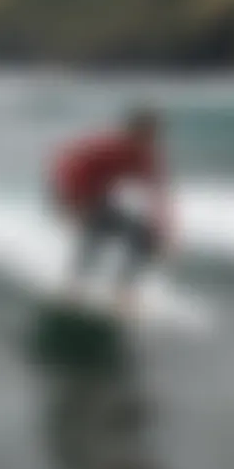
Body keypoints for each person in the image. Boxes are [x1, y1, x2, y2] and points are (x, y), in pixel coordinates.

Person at [48, 107, 171, 315]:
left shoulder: (146, 156)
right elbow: (66, 168)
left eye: (153, 135)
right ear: (132, 131)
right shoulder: (106, 146)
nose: (151, 140)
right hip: (71, 193)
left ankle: (122, 292)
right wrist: (69, 206)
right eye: (146, 134)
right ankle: (73, 290)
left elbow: (157, 193)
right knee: (95, 232)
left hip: (99, 199)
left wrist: (164, 229)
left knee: (144, 235)